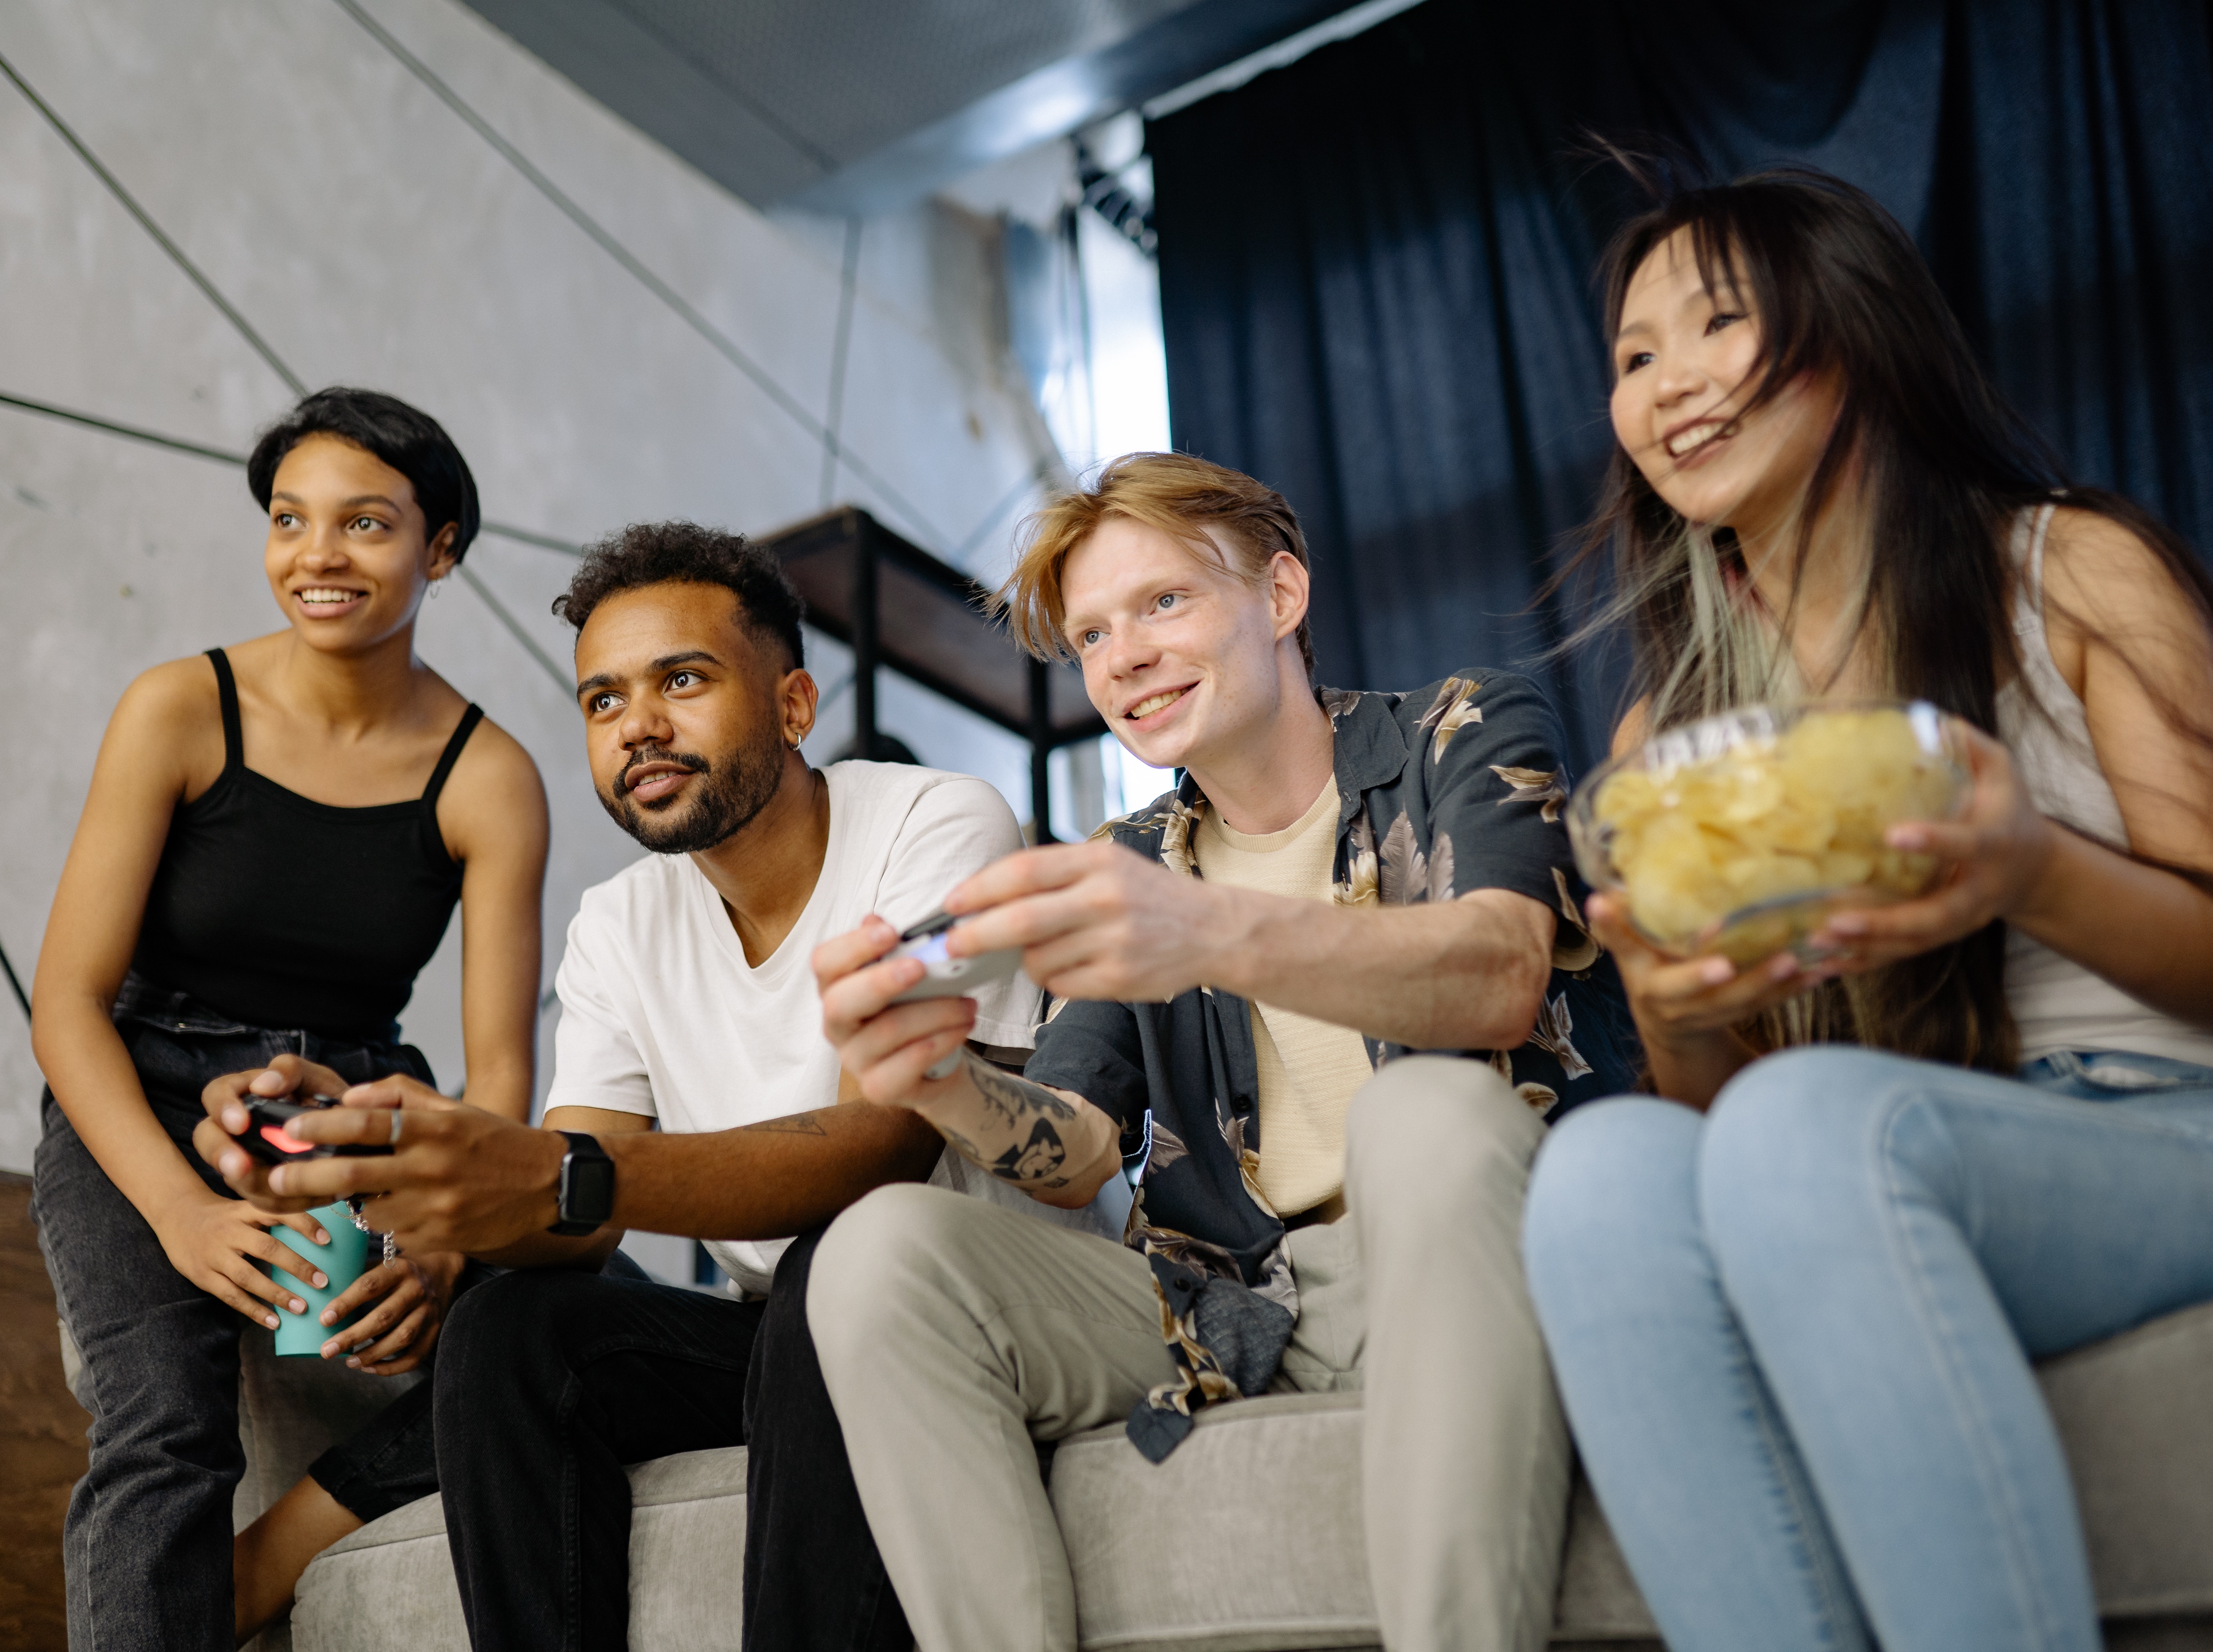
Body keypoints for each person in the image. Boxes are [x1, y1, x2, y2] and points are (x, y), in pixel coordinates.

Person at [195, 521, 1124, 1651]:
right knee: (511, 1331)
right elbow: (572, 1230)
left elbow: (876, 1149)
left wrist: (550, 1172)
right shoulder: (620, 924)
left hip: (966, 1306)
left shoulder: (934, 821)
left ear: (792, 706)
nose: (638, 724)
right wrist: (396, 1160)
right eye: (602, 701)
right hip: (780, 1331)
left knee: (837, 1271)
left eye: (681, 681)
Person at [1517, 167, 2213, 1652]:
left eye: (1719, 324)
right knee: (1601, 1173)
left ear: (1854, 334)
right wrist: (1673, 1004)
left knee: (1811, 1125)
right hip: (1871, 1144)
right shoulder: (1672, 733)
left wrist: (2035, 871)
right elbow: (1733, 1116)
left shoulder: (2072, 571)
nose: (1669, 384)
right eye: (1636, 357)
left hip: (2166, 1119)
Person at [806, 452, 1636, 1652]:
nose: (1122, 659)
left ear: (1282, 596)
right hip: (1236, 1301)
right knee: (878, 1248)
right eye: (1091, 636)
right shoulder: (1131, 857)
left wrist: (1214, 931)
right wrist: (942, 1081)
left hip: (1463, 1241)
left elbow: (1501, 975)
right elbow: (1077, 1149)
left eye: (1163, 604)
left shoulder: (1463, 726)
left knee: (1421, 1121)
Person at [28, 387, 550, 1651]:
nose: (316, 556)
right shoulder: (178, 708)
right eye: (289, 520)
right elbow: (68, 1005)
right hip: (146, 1083)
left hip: (367, 1107)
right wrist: (182, 1211)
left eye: (365, 524)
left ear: (442, 549)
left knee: (559, 1332)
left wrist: (440, 1245)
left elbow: (496, 1074)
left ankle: (274, 1557)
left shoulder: (489, 777)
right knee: (163, 1419)